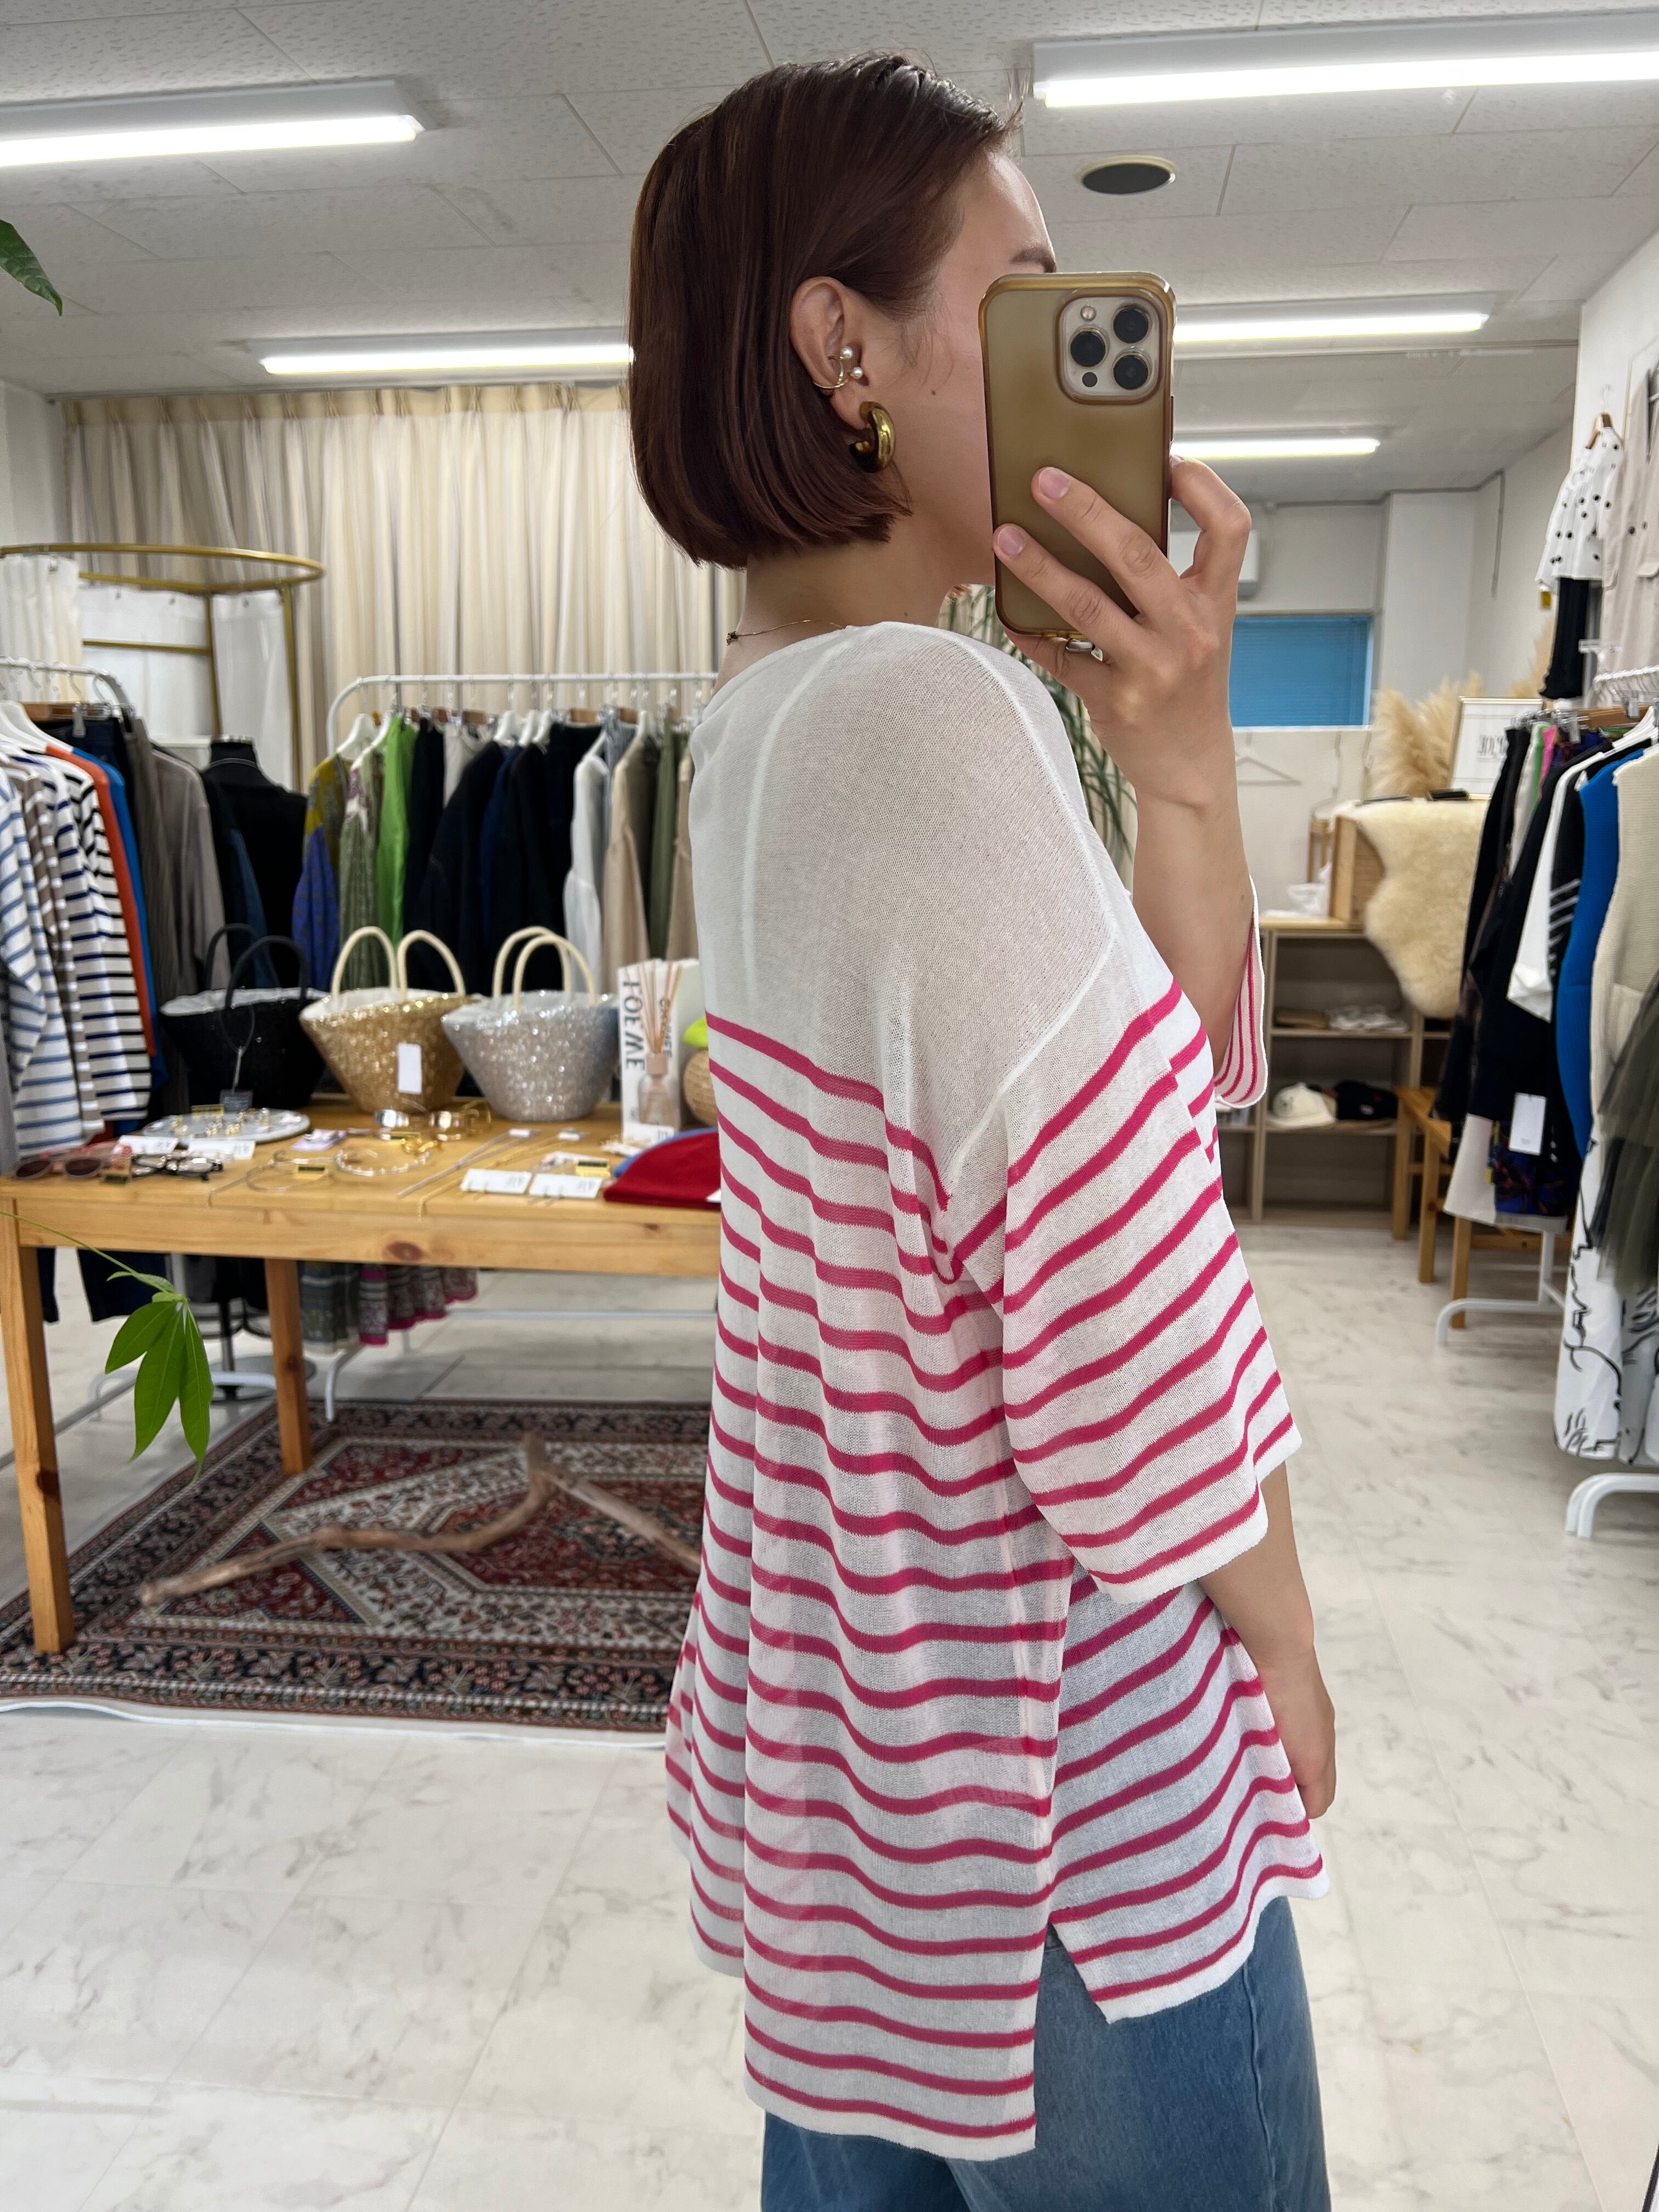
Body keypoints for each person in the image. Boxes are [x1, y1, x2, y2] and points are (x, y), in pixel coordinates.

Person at [628, 54, 1338, 2212]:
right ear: (841, 346)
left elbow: (1149, 1093)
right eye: (1018, 294)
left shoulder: (760, 727)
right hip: (1065, 1795)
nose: (1063, 346)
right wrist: (1284, 1630)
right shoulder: (929, 714)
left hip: (875, 1776)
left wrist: (1182, 765)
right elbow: (1126, 1318)